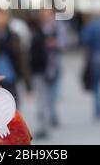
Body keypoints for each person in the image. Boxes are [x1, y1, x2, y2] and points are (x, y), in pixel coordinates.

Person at [30, 9, 66, 138]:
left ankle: (52, 116)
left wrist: (53, 43)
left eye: (47, 14)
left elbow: (63, 43)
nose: (45, 16)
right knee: (42, 98)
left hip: (54, 68)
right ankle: (44, 124)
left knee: (53, 95)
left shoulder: (58, 27)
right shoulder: (39, 29)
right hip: (40, 69)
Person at [0, 10, 32, 105]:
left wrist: (28, 85)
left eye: (2, 15)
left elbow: (22, 60)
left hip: (10, 78)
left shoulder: (13, 36)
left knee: (12, 107)